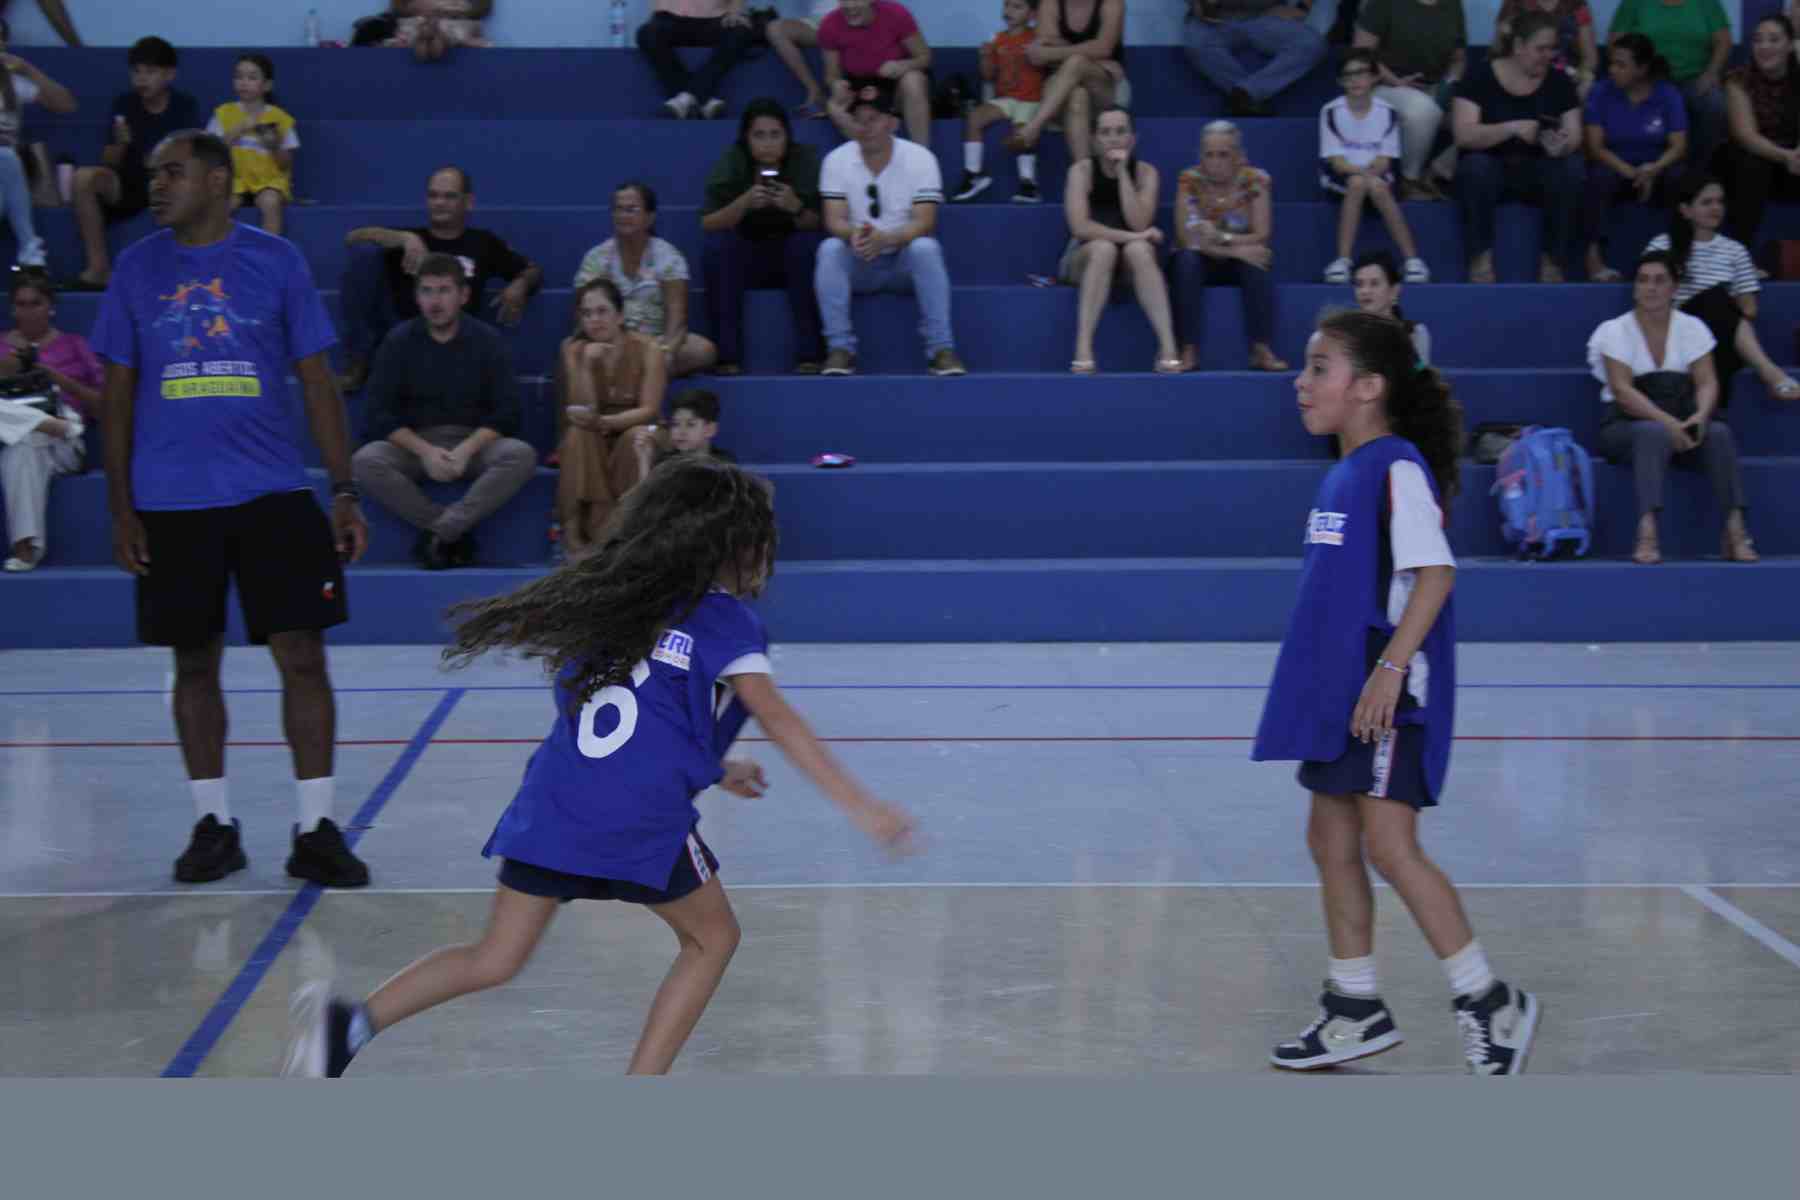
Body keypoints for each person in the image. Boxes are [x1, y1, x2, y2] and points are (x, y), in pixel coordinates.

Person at [279, 454, 918, 1079]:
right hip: (636, 815)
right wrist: (864, 807)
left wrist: (715, 765)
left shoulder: (616, 605)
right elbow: (778, 717)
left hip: (555, 804)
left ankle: (347, 1029)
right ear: (734, 544)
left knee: (495, 957)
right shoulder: (727, 622)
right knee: (712, 940)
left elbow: (613, 719)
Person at [1252, 307, 1540, 1076]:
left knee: (1389, 845)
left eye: (1320, 368)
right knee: (1330, 840)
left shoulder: (1395, 471)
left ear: (1369, 387)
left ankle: (1489, 1001)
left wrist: (1388, 672)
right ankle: (1354, 1007)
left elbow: (1435, 575)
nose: (1301, 381)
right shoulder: (1344, 474)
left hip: (1388, 698)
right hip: (1342, 699)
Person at [91, 130, 372, 889]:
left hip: (273, 493)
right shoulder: (135, 268)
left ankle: (315, 829)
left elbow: (317, 382)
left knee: (303, 656)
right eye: (153, 175)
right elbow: (117, 397)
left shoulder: (278, 262)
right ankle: (213, 824)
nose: (156, 186)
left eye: (172, 172)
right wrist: (121, 507)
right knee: (192, 660)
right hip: (171, 500)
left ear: (218, 181)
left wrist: (343, 488)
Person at [352, 254, 538, 571]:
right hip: (416, 445)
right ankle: (451, 529)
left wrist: (466, 450)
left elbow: (508, 412)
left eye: (444, 290)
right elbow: (378, 413)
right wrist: (425, 452)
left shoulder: (487, 340)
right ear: (416, 296)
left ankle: (441, 533)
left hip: (473, 444)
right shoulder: (398, 341)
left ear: (463, 295)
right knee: (366, 460)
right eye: (426, 291)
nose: (435, 301)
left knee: (520, 455)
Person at [1588, 250, 1759, 564]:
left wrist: (1700, 416)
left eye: (1659, 280)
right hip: (1626, 425)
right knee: (1652, 433)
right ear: (1634, 288)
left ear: (1674, 287)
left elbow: (1707, 383)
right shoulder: (1614, 330)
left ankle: (1735, 530)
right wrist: (1667, 424)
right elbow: (1623, 391)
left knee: (1719, 433)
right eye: (1643, 281)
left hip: (1682, 419)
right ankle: (1647, 532)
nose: (1650, 288)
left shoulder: (1692, 327)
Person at [337, 166, 542, 393]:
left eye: (449, 196)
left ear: (468, 202)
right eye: (433, 195)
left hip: (456, 337)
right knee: (364, 256)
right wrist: (404, 238)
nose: (439, 202)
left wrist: (521, 284)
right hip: (402, 334)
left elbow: (533, 270)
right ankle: (358, 361)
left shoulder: (483, 243)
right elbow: (353, 239)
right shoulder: (408, 239)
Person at [816, 81, 966, 377]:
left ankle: (941, 349)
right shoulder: (836, 160)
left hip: (902, 261)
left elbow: (925, 222)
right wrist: (854, 235)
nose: (865, 127)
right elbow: (834, 220)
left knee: (926, 248)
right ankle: (840, 349)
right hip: (860, 258)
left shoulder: (920, 158)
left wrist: (886, 238)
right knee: (830, 249)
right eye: (859, 119)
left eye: (873, 119)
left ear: (893, 123)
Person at [1449, 12, 1582, 283]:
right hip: (1492, 169)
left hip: (1539, 169)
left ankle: (1553, 261)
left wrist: (1561, 145)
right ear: (1519, 45)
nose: (1548, 56)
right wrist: (1513, 128)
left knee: (1571, 168)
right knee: (1475, 167)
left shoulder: (1559, 81)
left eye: (1552, 49)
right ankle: (1480, 259)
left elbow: (1575, 134)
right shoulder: (1479, 76)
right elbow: (1463, 134)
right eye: (1540, 49)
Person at [1644, 175, 1800, 404]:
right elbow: (1648, 298)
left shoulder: (1735, 251)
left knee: (1717, 301)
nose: (1716, 208)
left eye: (1720, 202)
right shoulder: (1662, 246)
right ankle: (1771, 375)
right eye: (1707, 202)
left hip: (1720, 339)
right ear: (1685, 210)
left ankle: (1714, 407)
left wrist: (1721, 312)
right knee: (1714, 297)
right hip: (1674, 335)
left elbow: (1750, 309)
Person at [699, 98, 826, 375]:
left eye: (775, 134)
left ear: (787, 136)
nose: (768, 143)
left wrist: (795, 207)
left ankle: (811, 355)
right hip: (746, 256)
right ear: (746, 139)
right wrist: (743, 204)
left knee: (807, 245)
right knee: (718, 247)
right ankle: (727, 357)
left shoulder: (804, 160)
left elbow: (822, 223)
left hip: (792, 257)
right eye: (759, 135)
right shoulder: (733, 160)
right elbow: (707, 222)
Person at [66, 37, 200, 292]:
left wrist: (160, 161)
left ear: (169, 75)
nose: (141, 79)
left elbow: (190, 156)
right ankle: (98, 269)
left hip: (167, 183)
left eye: (150, 72)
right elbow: (109, 161)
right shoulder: (124, 104)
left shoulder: (185, 106)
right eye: (136, 72)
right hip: (128, 182)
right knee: (83, 178)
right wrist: (120, 144)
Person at [1058, 105, 1180, 373]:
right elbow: (1081, 228)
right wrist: (1135, 236)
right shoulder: (1081, 171)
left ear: (1132, 139)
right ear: (1094, 140)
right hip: (1084, 258)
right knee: (1105, 249)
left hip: (1129, 264)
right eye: (1105, 132)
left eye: (1120, 131)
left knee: (1139, 250)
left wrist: (1123, 172)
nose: (1113, 139)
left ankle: (1168, 348)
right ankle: (1083, 349)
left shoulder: (1146, 173)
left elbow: (1140, 222)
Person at [555, 279, 665, 559]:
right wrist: (586, 366)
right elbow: (581, 409)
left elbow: (649, 410)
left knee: (636, 437)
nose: (594, 320)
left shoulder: (649, 349)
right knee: (577, 434)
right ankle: (573, 537)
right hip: (594, 433)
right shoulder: (573, 349)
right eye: (587, 313)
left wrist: (605, 423)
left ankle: (622, 533)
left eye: (602, 311)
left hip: (637, 427)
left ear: (620, 315)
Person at [0, 270, 99, 571]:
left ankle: (25, 549)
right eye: (21, 304)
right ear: (12, 308)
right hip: (8, 426)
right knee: (24, 435)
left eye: (36, 303)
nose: (28, 311)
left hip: (61, 436)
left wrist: (55, 378)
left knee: (24, 444)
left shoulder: (74, 345)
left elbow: (104, 405)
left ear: (51, 307)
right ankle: (38, 422)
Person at [1169, 120, 1287, 372]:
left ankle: (1260, 348)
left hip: (1233, 258)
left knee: (1257, 259)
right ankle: (1188, 349)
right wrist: (1237, 250)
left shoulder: (1255, 179)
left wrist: (1222, 238)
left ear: (1239, 156)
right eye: (1209, 155)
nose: (1215, 162)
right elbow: (1186, 238)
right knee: (1186, 260)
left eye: (1223, 154)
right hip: (1201, 259)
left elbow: (1262, 234)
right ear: (1200, 157)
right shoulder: (1189, 180)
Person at [574, 181, 718, 380]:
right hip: (609, 342)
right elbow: (582, 316)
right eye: (618, 209)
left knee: (703, 350)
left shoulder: (669, 256)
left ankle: (633, 375)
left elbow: (677, 319)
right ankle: (640, 375)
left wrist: (666, 352)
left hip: (655, 343)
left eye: (631, 209)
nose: (623, 216)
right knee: (575, 350)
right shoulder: (596, 258)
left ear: (650, 218)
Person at [1580, 33, 1687, 282]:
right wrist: (1631, 172)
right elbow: (1595, 147)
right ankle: (1594, 259)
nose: (1612, 69)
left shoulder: (1667, 94)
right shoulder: (1600, 92)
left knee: (1681, 177)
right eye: (1611, 63)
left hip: (1656, 168)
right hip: (1616, 166)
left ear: (1642, 68)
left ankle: (1680, 257)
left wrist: (1653, 169)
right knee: (1597, 178)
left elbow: (1679, 146)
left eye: (1621, 65)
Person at [1320, 48, 1429, 283]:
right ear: (1340, 81)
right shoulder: (1330, 111)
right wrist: (1364, 175)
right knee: (1358, 184)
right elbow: (1337, 163)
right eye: (1348, 75)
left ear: (1374, 77)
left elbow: (1384, 161)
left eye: (1361, 73)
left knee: (1377, 187)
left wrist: (1370, 176)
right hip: (1342, 178)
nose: (1355, 80)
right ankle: (1342, 261)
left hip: (1377, 175)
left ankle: (1412, 261)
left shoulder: (1387, 112)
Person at [1352, 0, 1467, 200]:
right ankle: (1409, 181)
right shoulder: (1382, 4)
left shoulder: (1453, 4)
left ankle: (1435, 173)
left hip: (1434, 88)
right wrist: (1395, 82)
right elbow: (1361, 54)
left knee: (1477, 119)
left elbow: (1459, 58)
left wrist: (1448, 84)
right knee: (1423, 109)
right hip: (1384, 85)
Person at [1605, 0, 1730, 176]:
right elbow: (1615, 44)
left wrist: (1712, 72)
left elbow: (1723, 41)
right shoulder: (1633, 3)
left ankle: (1700, 174)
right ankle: (1641, 170)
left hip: (1694, 79)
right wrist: (1637, 75)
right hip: (1648, 79)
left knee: (1715, 104)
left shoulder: (1707, 3)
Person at [1006, 0, 1129, 166]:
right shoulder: (1050, 3)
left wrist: (1056, 53)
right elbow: (1041, 54)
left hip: (1102, 87)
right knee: (1077, 95)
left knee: (1076, 62)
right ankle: (1085, 175)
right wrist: (1092, 56)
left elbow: (1104, 48)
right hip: (1059, 90)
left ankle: (1033, 128)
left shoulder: (1112, 3)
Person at [950, 0, 1046, 204]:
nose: (1009, 11)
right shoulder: (997, 39)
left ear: (1032, 14)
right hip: (1005, 99)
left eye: (1017, 7)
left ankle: (1029, 184)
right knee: (974, 118)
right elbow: (988, 75)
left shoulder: (1037, 37)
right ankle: (974, 174)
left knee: (1021, 130)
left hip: (1030, 100)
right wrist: (985, 57)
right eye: (1007, 5)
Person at [0, 16, 76, 270]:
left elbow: (66, 104)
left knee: (6, 158)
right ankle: (29, 245)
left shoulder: (13, 82)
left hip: (7, 174)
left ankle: (29, 250)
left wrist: (27, 69)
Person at [1723, 15, 1800, 254]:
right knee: (1751, 164)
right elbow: (1745, 135)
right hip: (1754, 157)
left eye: (1774, 40)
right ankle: (1741, 254)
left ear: (1790, 45)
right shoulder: (1738, 80)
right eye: (1758, 40)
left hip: (1793, 159)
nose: (1764, 46)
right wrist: (1786, 156)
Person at [1182, 0, 1329, 119]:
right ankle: (1245, 98)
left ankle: (1246, 93)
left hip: (1267, 16)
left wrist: (1302, 7)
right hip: (1218, 18)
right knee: (1197, 41)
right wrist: (1197, 3)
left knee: (1310, 43)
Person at [819, 0, 937, 147]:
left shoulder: (896, 13)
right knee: (833, 106)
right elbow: (831, 75)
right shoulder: (829, 25)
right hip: (860, 88)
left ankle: (921, 154)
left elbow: (925, 57)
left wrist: (902, 65)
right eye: (844, 1)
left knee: (913, 80)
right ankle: (868, 151)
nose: (850, 6)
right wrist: (836, 84)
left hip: (896, 86)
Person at [205, 53, 297, 237]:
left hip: (269, 181)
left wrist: (274, 146)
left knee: (270, 202)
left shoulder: (279, 118)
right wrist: (237, 129)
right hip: (234, 180)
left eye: (252, 77)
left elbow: (285, 164)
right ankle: (213, 247)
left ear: (267, 85)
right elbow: (212, 152)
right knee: (222, 204)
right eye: (239, 76)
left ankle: (270, 250)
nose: (244, 82)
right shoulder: (223, 114)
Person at [636, 0, 758, 121]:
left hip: (716, 19)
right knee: (647, 33)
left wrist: (736, 13)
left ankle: (686, 98)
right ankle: (703, 98)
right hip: (672, 18)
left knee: (742, 32)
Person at [632, 387, 737, 480]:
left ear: (710, 430)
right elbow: (650, 495)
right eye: (676, 424)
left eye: (690, 424)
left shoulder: (724, 464)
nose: (681, 432)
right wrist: (644, 460)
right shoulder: (665, 463)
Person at [1351, 248, 1430, 363]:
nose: (1365, 291)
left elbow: (1421, 372)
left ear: (1394, 291)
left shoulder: (1416, 333)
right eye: (1359, 284)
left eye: (1374, 283)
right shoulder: (1345, 335)